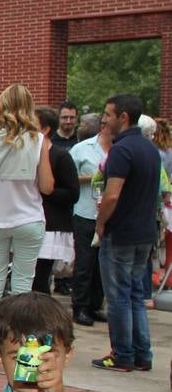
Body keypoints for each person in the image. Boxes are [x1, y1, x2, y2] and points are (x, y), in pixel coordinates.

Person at [0, 84, 55, 371]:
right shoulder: (38, 140)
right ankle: (21, 352)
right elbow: (47, 186)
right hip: (29, 218)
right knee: (22, 287)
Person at [93, 93, 161, 372]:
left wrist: (100, 223)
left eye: (108, 115)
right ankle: (141, 353)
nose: (104, 120)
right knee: (134, 294)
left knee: (119, 295)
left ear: (123, 117)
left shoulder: (121, 150)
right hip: (144, 232)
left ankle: (122, 354)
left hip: (121, 232)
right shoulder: (149, 148)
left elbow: (111, 195)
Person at [67, 113, 110, 325]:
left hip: (109, 213)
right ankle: (80, 306)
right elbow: (68, 177)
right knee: (84, 261)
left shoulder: (119, 150)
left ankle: (95, 304)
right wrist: (92, 178)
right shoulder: (81, 149)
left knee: (102, 264)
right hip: (85, 211)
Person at [31, 107, 79, 295]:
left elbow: (72, 193)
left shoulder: (60, 156)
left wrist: (45, 192)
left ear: (45, 130)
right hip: (31, 220)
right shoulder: (27, 153)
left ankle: (42, 316)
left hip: (51, 225)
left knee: (40, 277)